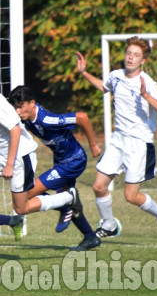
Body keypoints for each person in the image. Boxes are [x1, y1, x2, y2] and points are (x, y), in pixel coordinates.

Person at [0, 61, 83, 264]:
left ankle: (67, 198)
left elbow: (14, 128)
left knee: (21, 208)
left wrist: (10, 163)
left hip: (20, 154)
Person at [76, 36, 157, 242]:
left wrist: (146, 97)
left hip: (139, 144)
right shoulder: (116, 75)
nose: (130, 58)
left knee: (131, 196)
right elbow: (104, 87)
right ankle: (109, 225)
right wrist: (84, 73)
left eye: (136, 55)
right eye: (129, 53)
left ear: (143, 61)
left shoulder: (147, 83)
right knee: (99, 186)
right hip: (118, 140)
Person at [9, 85, 102, 251]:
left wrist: (93, 145)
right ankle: (90, 236)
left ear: (32, 103)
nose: (17, 111)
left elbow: (82, 117)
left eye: (20, 107)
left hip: (73, 161)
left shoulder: (45, 119)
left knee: (28, 193)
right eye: (15, 107)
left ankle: (65, 206)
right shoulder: (25, 118)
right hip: (60, 161)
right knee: (67, 198)